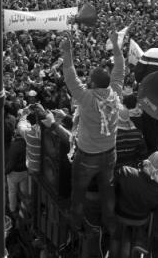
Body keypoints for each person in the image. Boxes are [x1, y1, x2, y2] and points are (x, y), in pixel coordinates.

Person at [60, 30, 125, 234]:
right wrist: (115, 44)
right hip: (110, 153)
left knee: (79, 191)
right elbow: (120, 67)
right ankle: (110, 223)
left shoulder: (87, 98)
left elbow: (70, 75)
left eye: (89, 79)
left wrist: (67, 51)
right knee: (107, 189)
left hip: (87, 156)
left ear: (94, 84)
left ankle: (75, 223)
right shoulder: (116, 92)